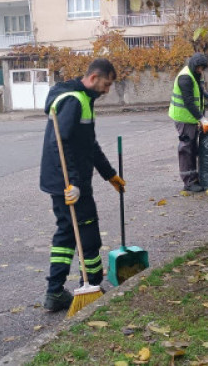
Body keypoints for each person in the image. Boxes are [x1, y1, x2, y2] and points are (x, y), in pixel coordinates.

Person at [39, 59, 126, 312]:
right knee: (86, 231)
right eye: (106, 84)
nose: (107, 90)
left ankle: (55, 292)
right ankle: (91, 284)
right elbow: (61, 144)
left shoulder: (83, 99)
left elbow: (89, 145)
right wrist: (74, 183)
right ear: (94, 77)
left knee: (67, 232)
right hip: (67, 182)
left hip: (66, 180)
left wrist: (109, 174)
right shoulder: (73, 101)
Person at [168, 52, 208, 193]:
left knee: (193, 149)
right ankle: (189, 182)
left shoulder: (194, 75)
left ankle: (195, 178)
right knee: (186, 150)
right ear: (193, 65)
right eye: (199, 68)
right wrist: (202, 118)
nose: (200, 71)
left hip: (191, 119)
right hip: (184, 118)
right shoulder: (185, 77)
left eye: (202, 68)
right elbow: (188, 101)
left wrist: (205, 95)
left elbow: (197, 90)